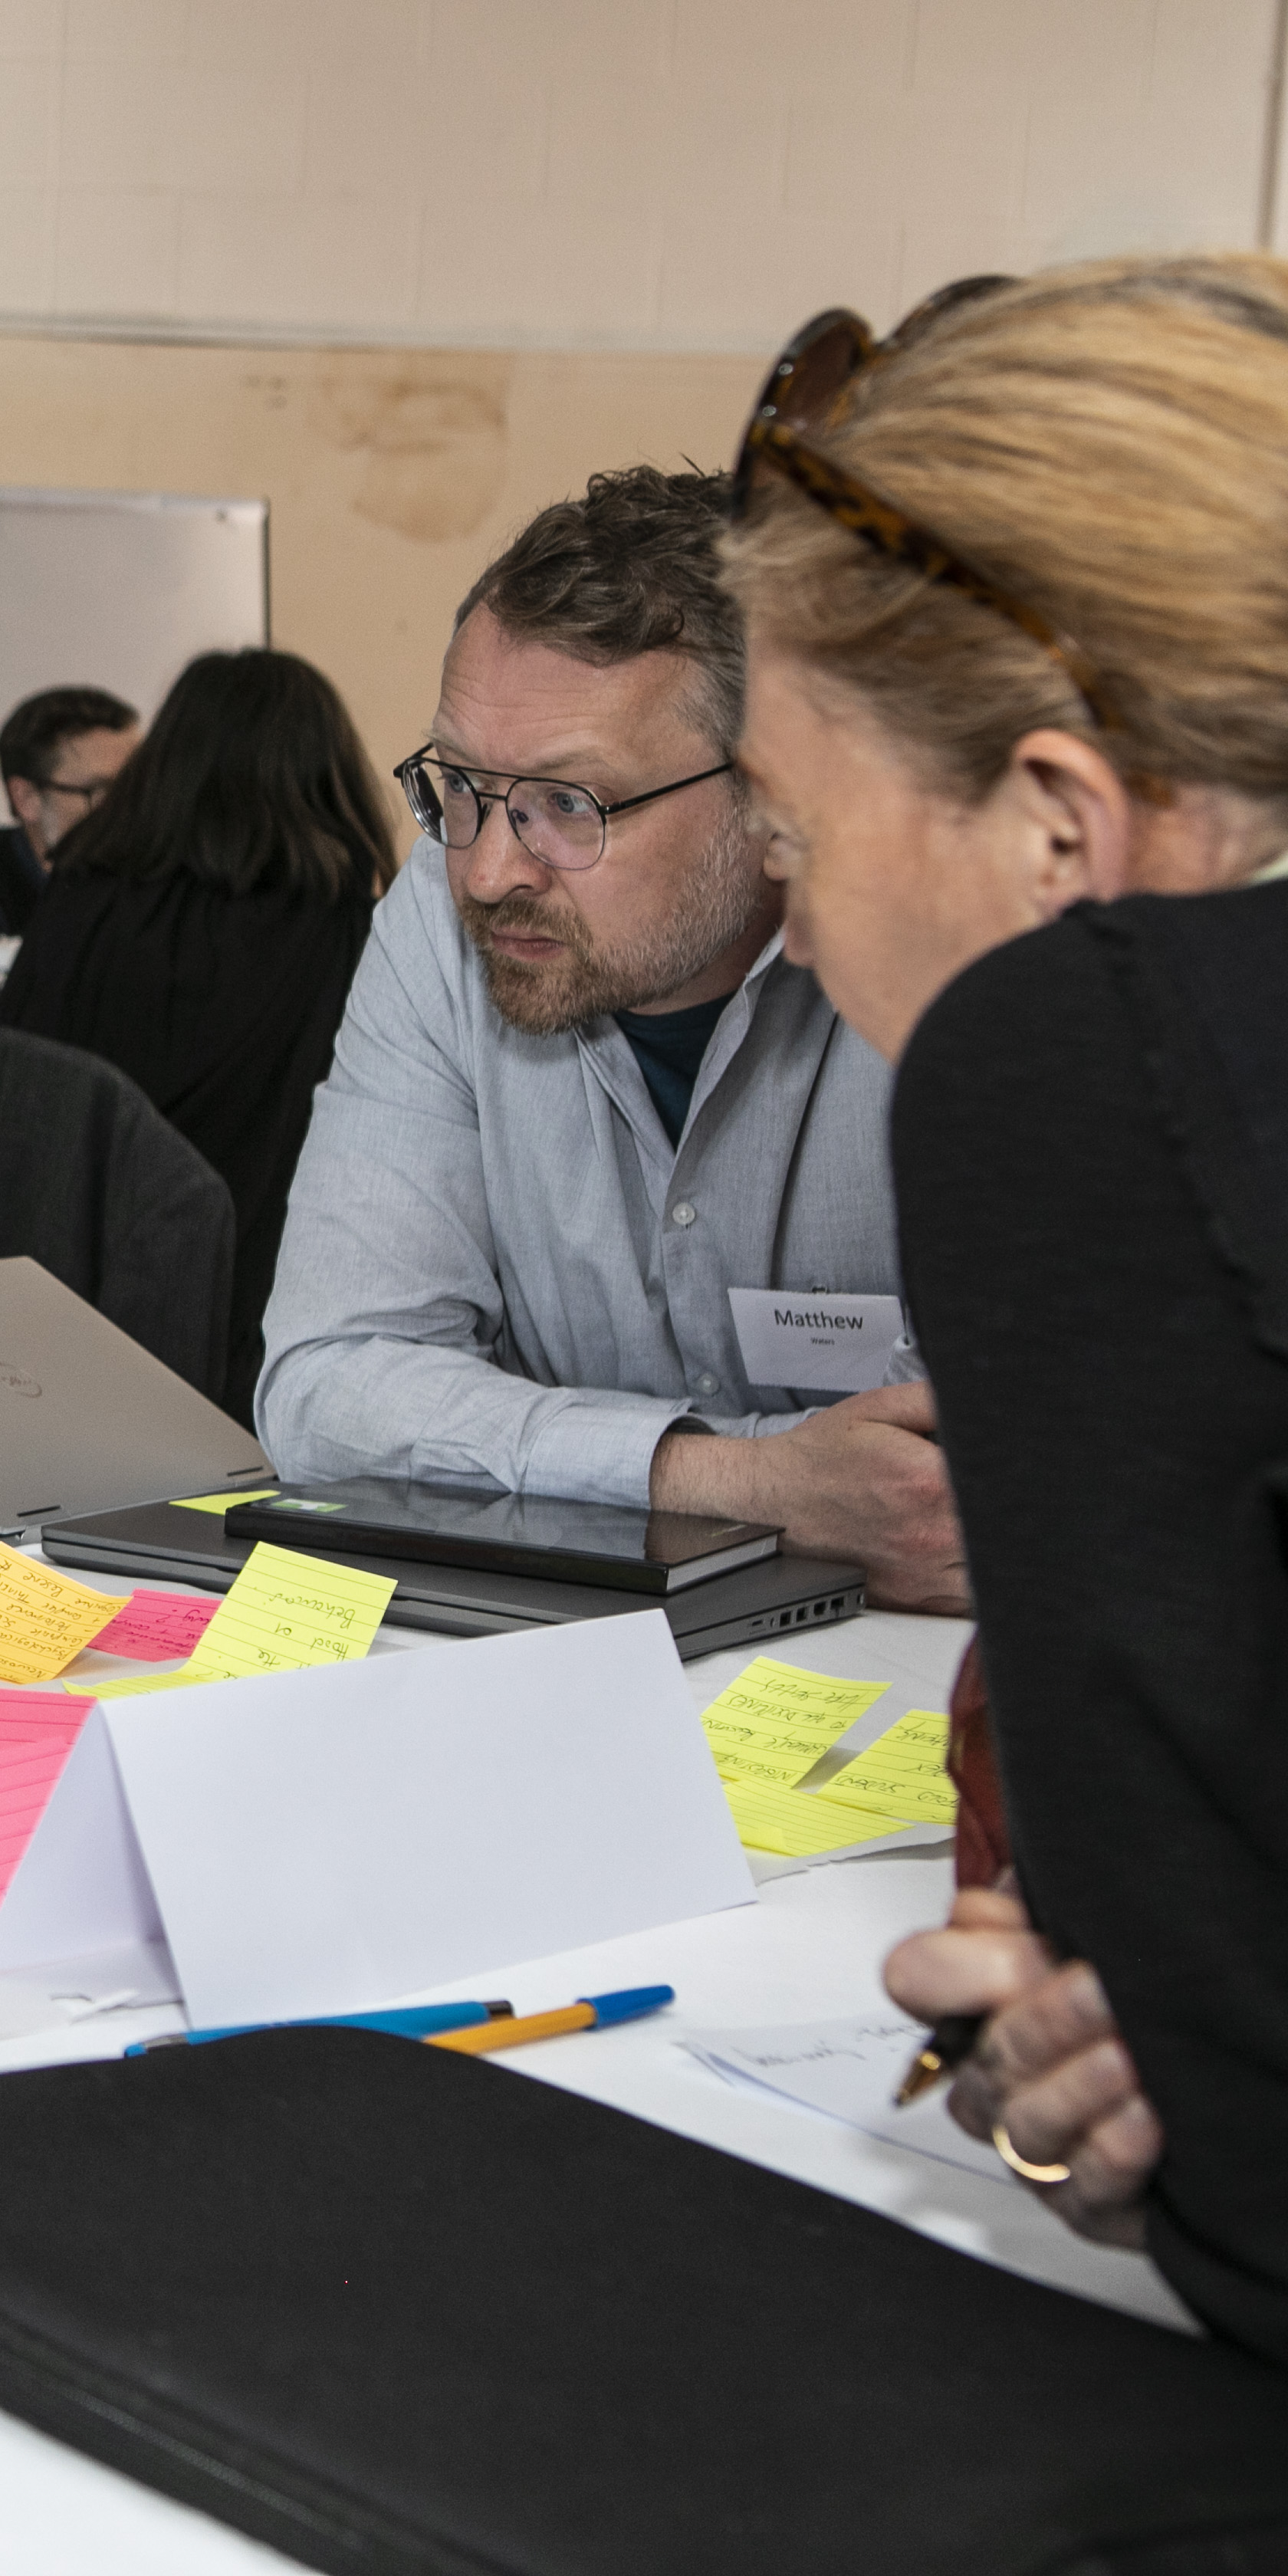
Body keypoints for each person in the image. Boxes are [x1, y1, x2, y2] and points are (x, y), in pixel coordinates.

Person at [715, 258, 1288, 2355]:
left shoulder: (1090, 1058)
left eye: (791, 835)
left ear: (1060, 832)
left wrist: (1195, 2109)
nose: (787, 929)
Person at [254, 466, 964, 1611]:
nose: (488, 869)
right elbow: (328, 1391)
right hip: (572, 1646)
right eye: (461, 786)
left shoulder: (957, 943)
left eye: (569, 805)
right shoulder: (437, 917)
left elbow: (975, 1476)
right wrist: (749, 1483)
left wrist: (526, 1447)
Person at [0, 649, 393, 1419]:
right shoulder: (336, 923)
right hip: (250, 1331)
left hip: (60, 1312)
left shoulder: (79, 892)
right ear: (322, 773)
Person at [0, 682, 137, 1011]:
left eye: (138, 789)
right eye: (100, 792)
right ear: (26, 798)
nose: (128, 811)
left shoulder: (147, 882)